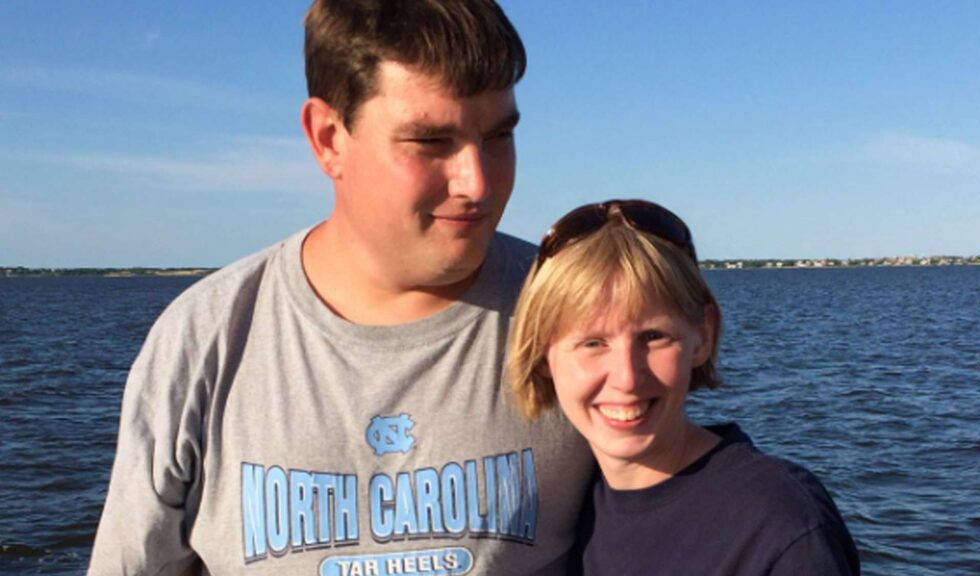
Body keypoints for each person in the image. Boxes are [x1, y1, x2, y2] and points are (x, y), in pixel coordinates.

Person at [88, 1, 592, 574]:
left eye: (499, 135)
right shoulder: (205, 338)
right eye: (430, 141)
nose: (477, 183)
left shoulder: (579, 315)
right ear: (328, 138)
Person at [506, 199, 861, 575]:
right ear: (542, 353)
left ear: (702, 335)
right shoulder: (565, 509)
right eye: (593, 343)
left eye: (653, 337)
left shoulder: (779, 528)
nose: (627, 377)